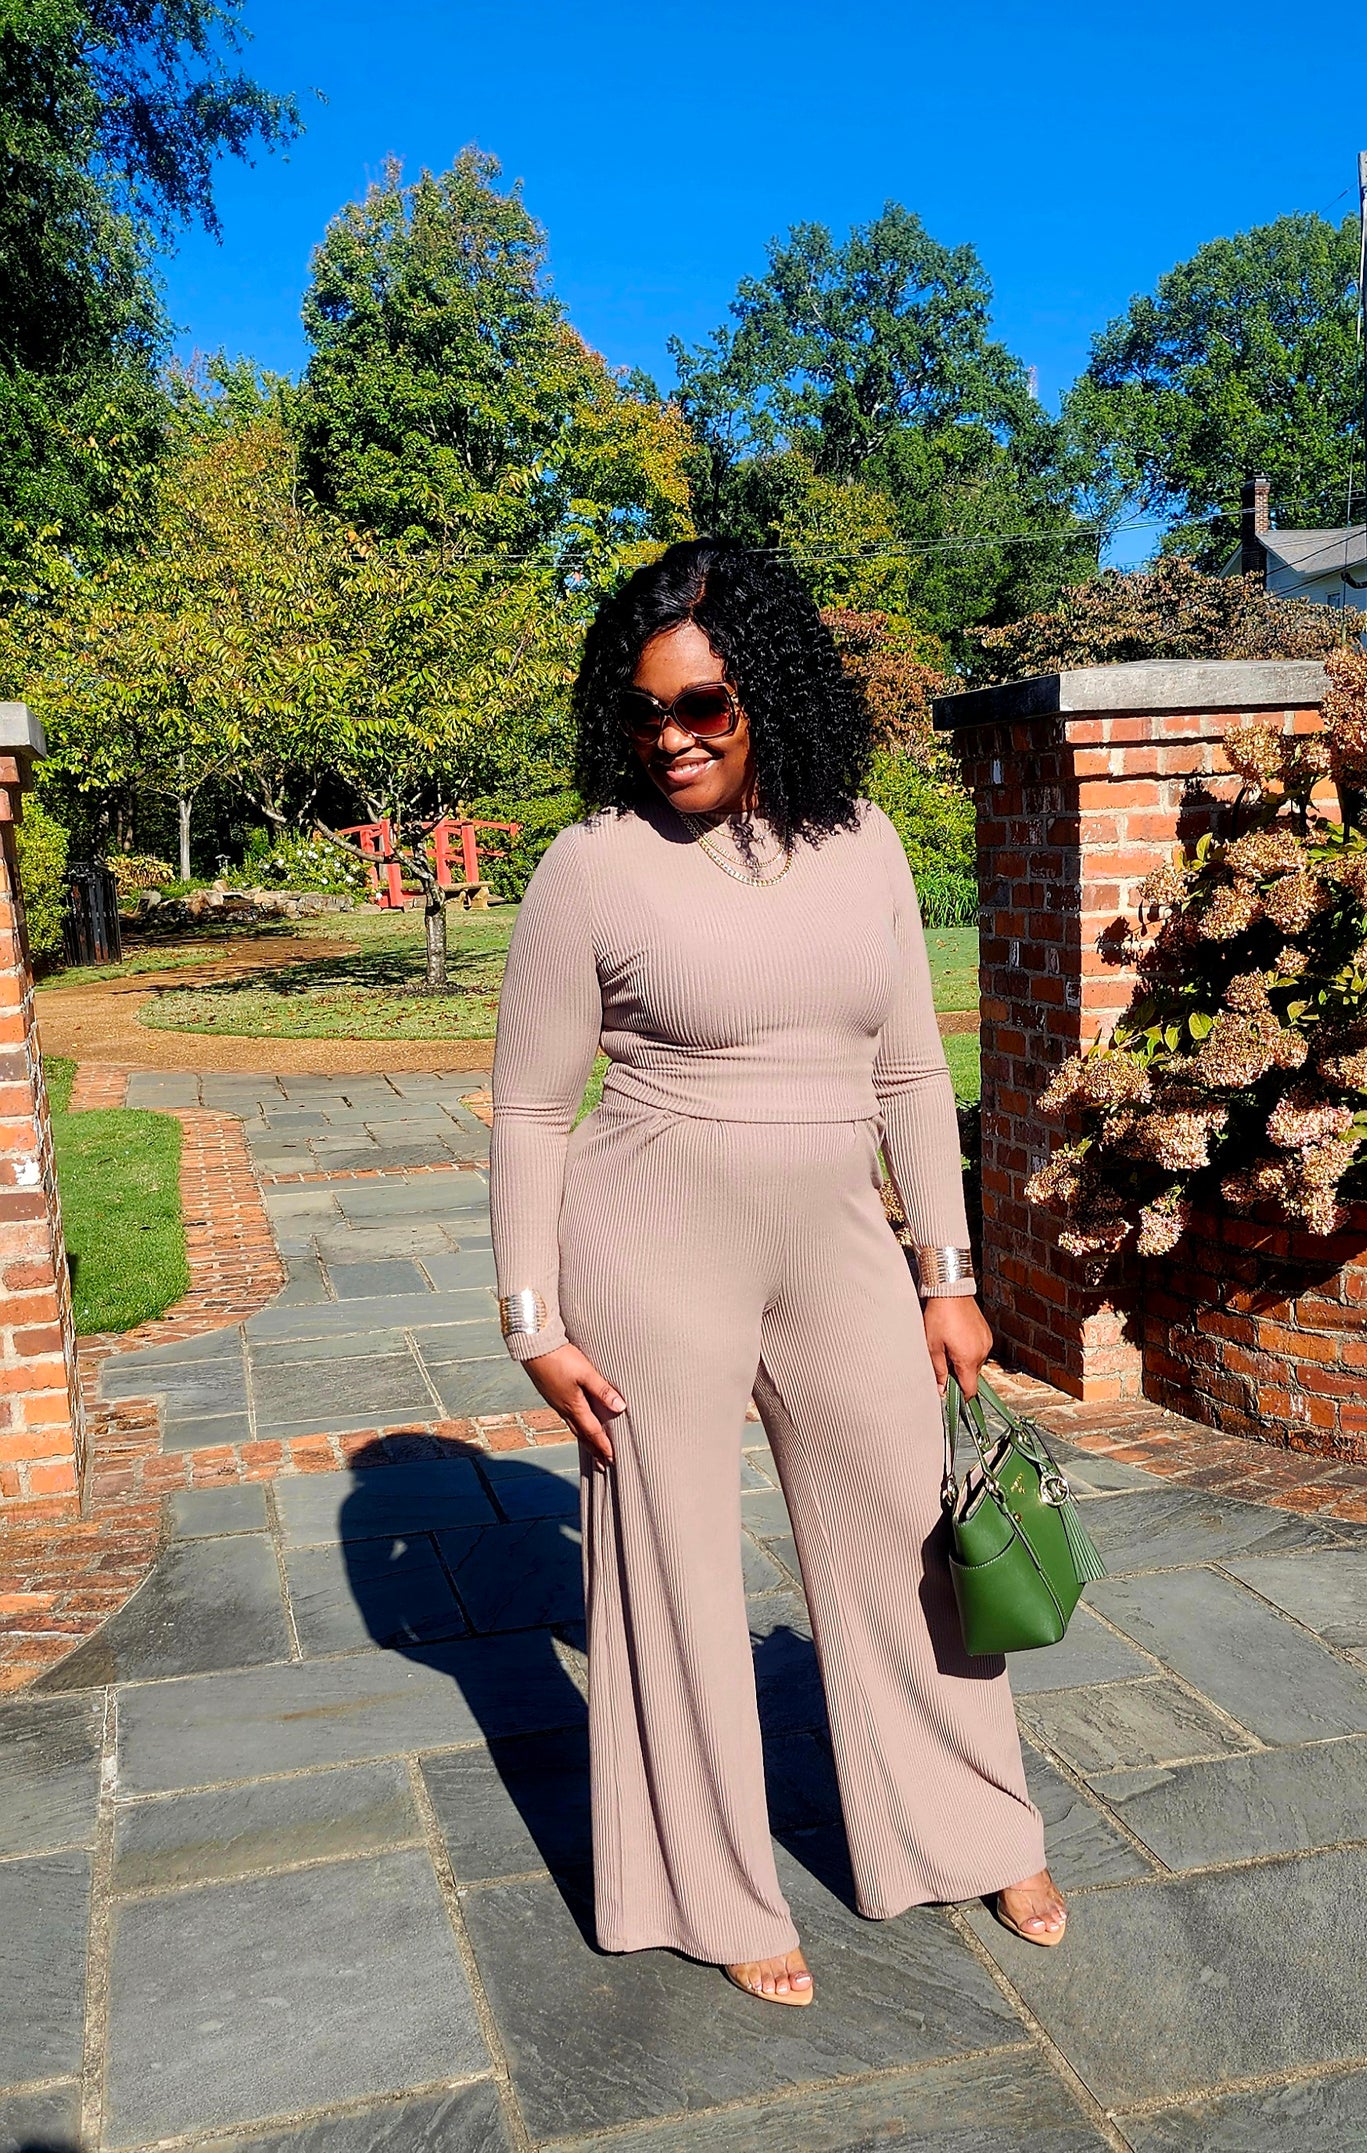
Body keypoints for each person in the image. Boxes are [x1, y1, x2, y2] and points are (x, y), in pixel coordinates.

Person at [489, 540, 1066, 2005]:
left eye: (703, 706)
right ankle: (711, 1889)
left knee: (909, 1537)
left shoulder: (863, 839)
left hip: (835, 1245)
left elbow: (912, 1065)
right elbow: (530, 1108)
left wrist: (945, 1268)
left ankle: (970, 1825)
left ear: (774, 696)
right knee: (671, 1570)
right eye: (642, 712)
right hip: (646, 1248)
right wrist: (531, 1319)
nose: (669, 736)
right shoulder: (591, 863)